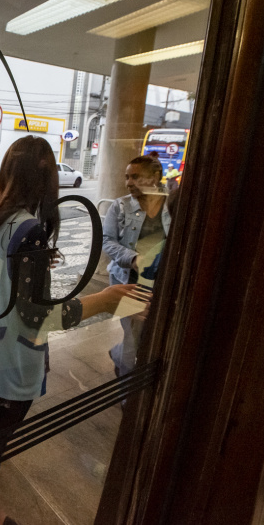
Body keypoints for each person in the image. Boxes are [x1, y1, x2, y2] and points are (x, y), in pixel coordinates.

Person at [0, 136, 136, 525]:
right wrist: (104, 300)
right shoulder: (28, 229)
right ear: (47, 180)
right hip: (11, 356)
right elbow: (39, 316)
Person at [103, 156, 170, 376]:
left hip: (160, 282)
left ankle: (118, 353)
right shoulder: (120, 206)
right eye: (127, 177)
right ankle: (127, 399)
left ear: (155, 177)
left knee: (150, 334)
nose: (128, 183)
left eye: (136, 177)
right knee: (132, 338)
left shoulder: (171, 204)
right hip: (127, 280)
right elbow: (107, 241)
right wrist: (131, 258)